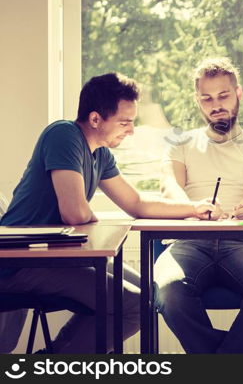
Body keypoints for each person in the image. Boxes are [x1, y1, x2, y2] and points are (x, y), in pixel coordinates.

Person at [0, 73, 215, 353]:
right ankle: (50, 365)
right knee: (134, 305)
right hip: (23, 261)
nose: (131, 130)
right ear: (95, 119)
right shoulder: (63, 135)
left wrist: (194, 209)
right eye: (125, 122)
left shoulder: (100, 154)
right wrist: (88, 215)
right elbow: (75, 214)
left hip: (60, 256)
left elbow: (136, 203)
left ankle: (56, 358)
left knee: (151, 294)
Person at [153, 57, 243, 354]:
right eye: (207, 98)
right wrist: (193, 208)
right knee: (169, 293)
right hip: (187, 243)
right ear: (198, 101)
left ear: (238, 94)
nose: (216, 104)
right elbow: (169, 187)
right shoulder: (180, 143)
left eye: (223, 95)